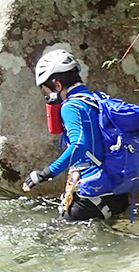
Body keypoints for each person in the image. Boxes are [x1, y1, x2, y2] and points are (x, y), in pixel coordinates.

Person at [22, 49, 130, 221]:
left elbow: (80, 143)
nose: (48, 97)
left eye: (46, 91)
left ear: (57, 85)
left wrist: (46, 173)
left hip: (92, 196)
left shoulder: (71, 107)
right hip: (118, 193)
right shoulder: (96, 99)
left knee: (47, 243)